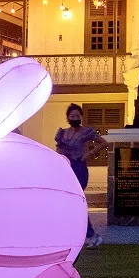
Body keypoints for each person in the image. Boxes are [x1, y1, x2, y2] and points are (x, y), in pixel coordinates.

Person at [56, 103, 109, 248]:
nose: (75, 118)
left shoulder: (85, 132)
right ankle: (82, 235)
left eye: (77, 116)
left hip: (79, 168)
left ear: (81, 117)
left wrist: (89, 154)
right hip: (66, 168)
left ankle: (91, 235)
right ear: (67, 118)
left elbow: (104, 142)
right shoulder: (62, 133)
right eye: (72, 116)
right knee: (68, 203)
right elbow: (58, 150)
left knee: (77, 203)